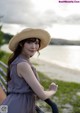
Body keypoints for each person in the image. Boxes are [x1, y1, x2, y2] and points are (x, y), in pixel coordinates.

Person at [0, 28, 58, 113]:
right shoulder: (23, 64)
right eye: (29, 42)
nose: (33, 46)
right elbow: (42, 95)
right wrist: (52, 90)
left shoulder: (19, 60)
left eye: (36, 43)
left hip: (12, 104)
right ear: (21, 44)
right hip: (18, 107)